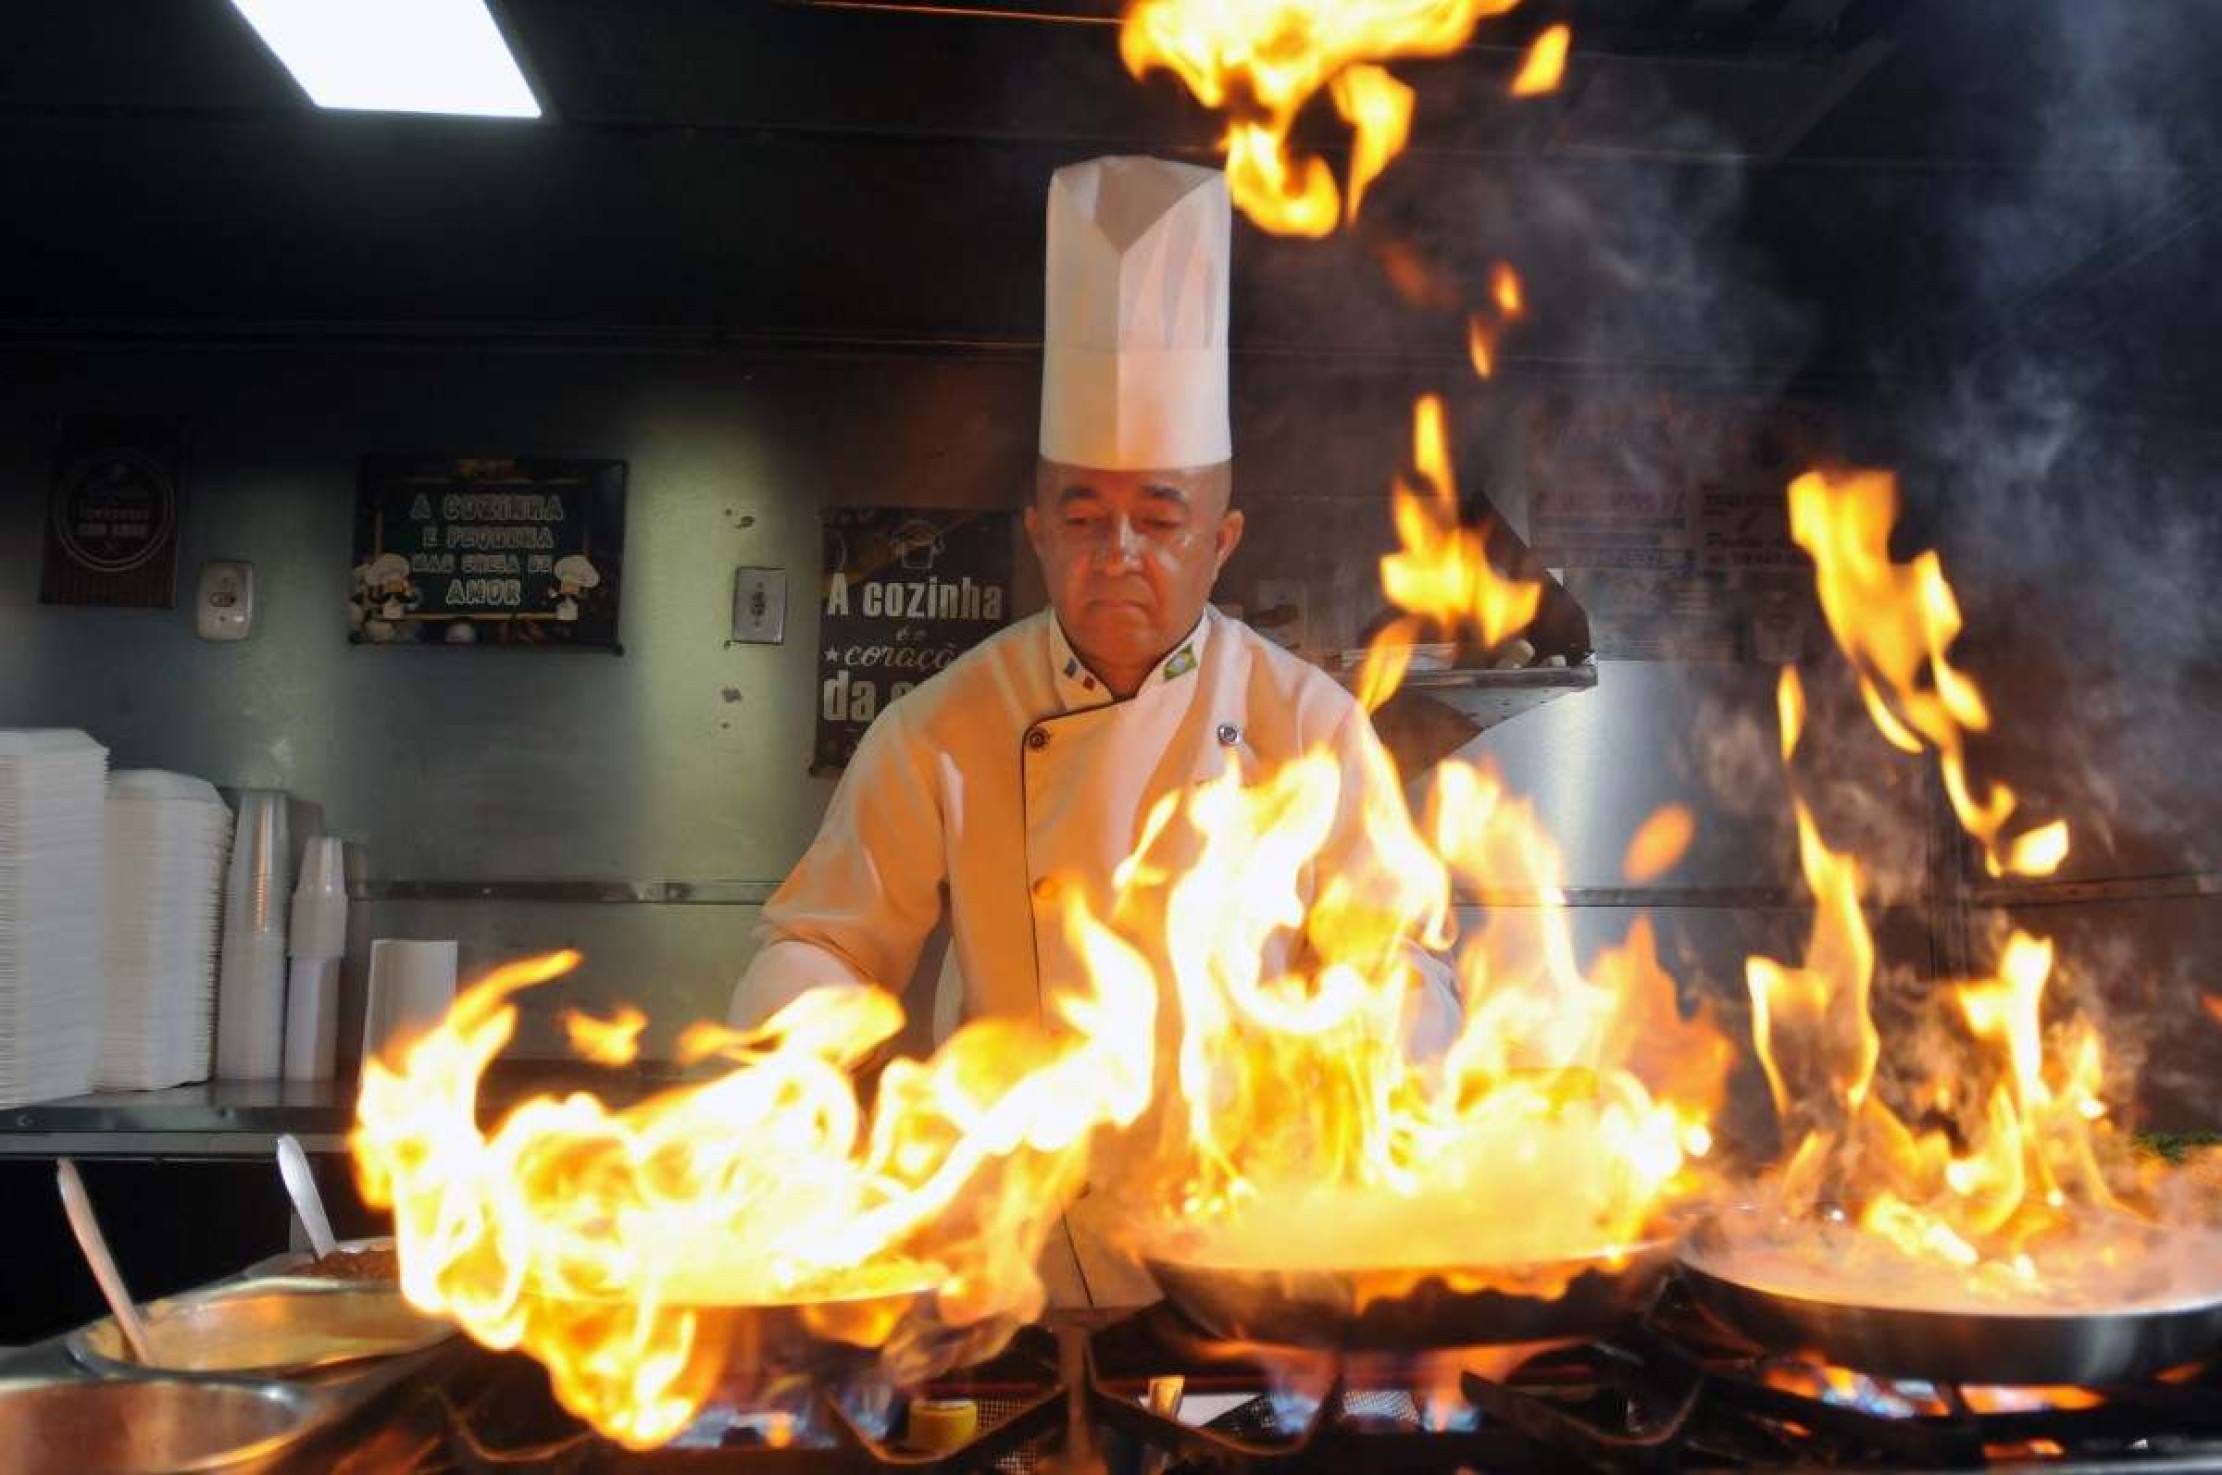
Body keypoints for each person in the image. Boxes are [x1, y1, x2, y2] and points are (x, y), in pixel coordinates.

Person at [731, 155, 1454, 1304]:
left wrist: (1369, 1040)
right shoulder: (942, 726)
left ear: (1219, 539)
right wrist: (788, 1069)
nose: (1118, 550)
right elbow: (825, 939)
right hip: (1006, 1257)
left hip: (1243, 1257)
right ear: (1036, 532)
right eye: (1084, 514)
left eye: (1158, 517)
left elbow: (1402, 959)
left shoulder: (1304, 721)